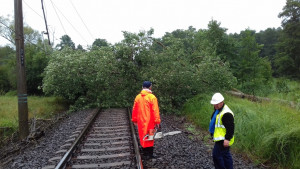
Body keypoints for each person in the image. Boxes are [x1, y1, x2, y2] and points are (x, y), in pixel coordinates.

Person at [131, 81, 161, 159]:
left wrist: (134, 119)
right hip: (150, 121)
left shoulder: (138, 97)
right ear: (150, 87)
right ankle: (150, 154)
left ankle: (145, 153)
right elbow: (155, 110)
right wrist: (157, 121)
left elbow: (134, 109)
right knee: (150, 137)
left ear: (142, 87)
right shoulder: (152, 97)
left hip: (141, 121)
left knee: (142, 136)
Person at [209, 93, 235, 169]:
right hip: (220, 139)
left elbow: (231, 127)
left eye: (217, 104)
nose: (215, 105)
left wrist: (227, 139)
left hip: (223, 139)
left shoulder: (226, 113)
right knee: (223, 156)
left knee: (218, 156)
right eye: (214, 104)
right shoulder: (218, 110)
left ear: (222, 102)